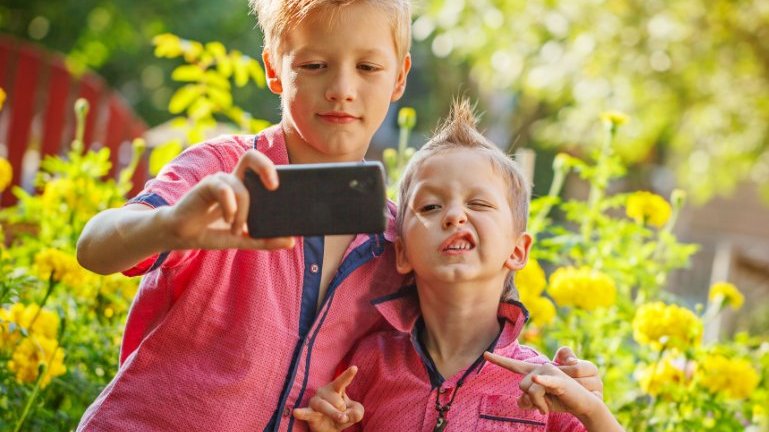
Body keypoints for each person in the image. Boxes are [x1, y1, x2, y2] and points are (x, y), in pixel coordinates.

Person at [76, 0, 600, 430]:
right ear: (273, 69)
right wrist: (170, 226)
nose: (342, 88)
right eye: (313, 65)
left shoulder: (400, 241)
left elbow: (461, 329)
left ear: (399, 77)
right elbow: (95, 246)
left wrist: (569, 382)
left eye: (368, 67)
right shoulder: (222, 176)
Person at [294, 99, 623, 431]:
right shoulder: (367, 366)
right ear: (403, 252)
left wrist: (592, 412)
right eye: (431, 206)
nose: (454, 216)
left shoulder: (546, 389)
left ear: (517, 250)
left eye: (478, 203)